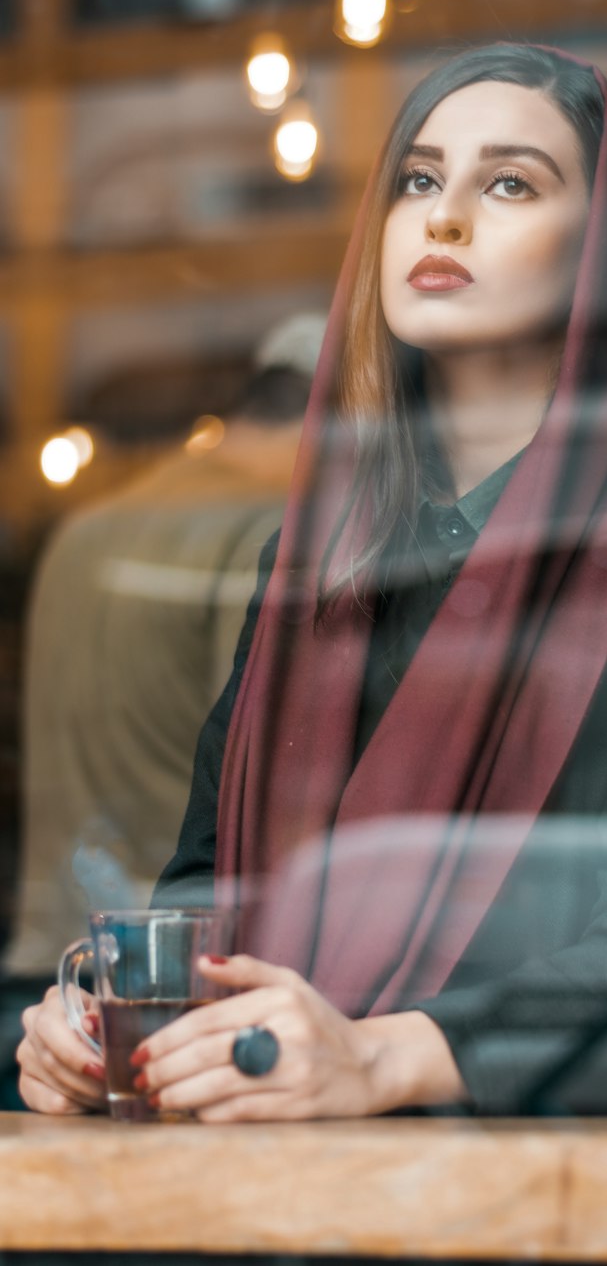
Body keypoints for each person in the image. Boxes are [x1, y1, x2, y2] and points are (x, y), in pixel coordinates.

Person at [17, 44, 607, 1120]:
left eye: (508, 183)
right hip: (284, 1187)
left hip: (574, 1193)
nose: (443, 218)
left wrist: (382, 1058)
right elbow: (212, 889)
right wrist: (116, 1011)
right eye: (417, 179)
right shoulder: (320, 562)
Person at [1, 314, 325, 1107]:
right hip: (157, 1003)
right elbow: (264, 776)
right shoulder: (256, 530)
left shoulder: (89, 526)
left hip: (44, 982)